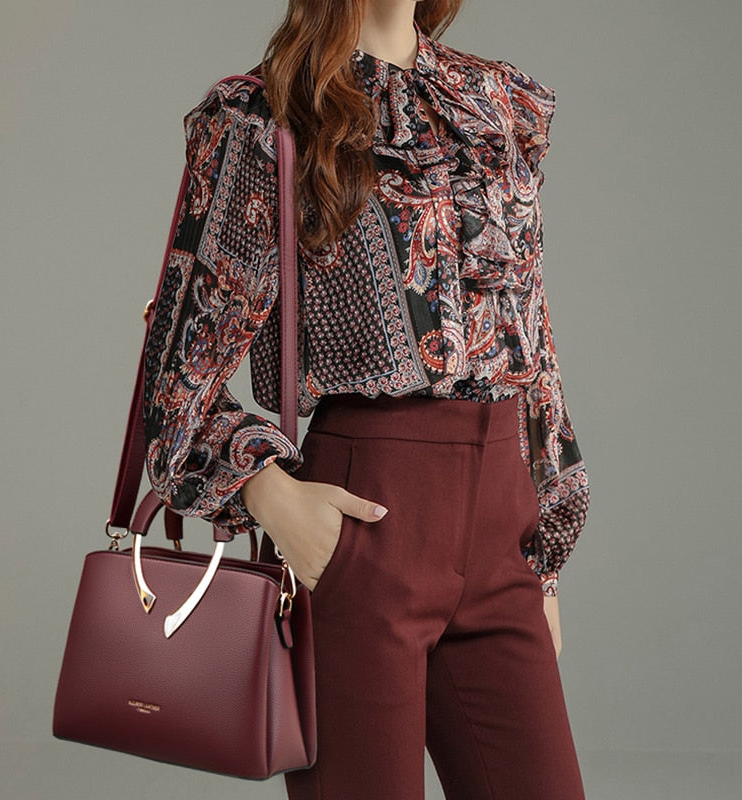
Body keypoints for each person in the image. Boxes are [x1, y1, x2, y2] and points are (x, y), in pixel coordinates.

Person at [142, 0, 591, 797]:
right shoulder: (267, 116)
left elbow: (533, 339)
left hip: (499, 527)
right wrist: (272, 497)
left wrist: (542, 563)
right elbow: (181, 366)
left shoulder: (493, 104)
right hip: (365, 526)